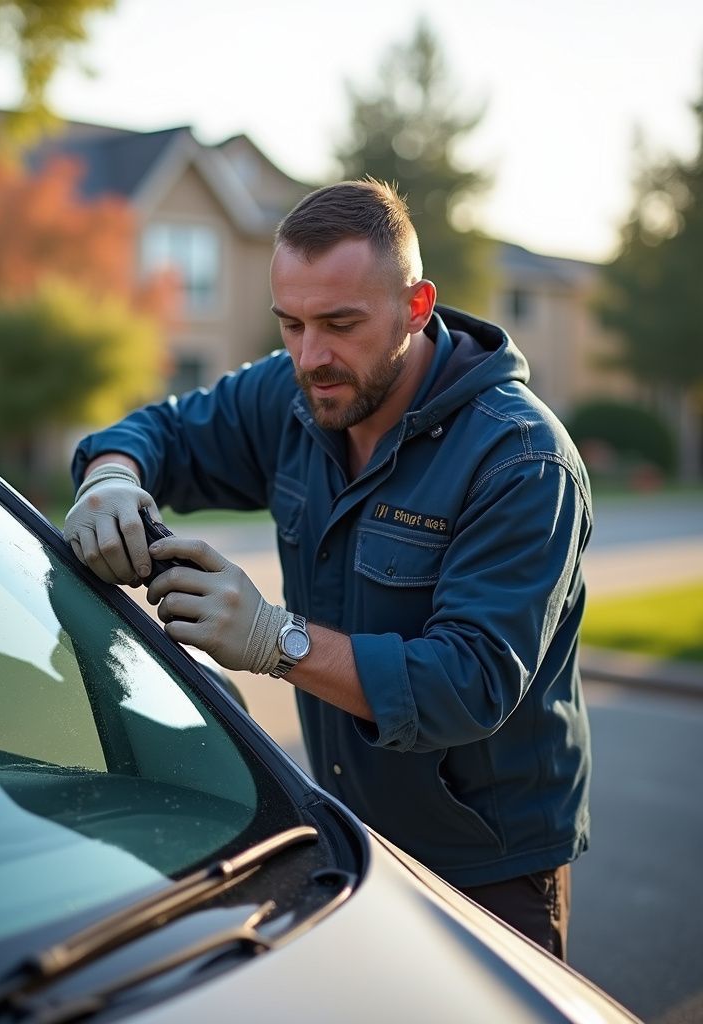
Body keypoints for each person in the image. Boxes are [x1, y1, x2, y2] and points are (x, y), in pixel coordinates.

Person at [64, 179, 592, 959]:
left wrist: (277, 639)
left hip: (489, 869)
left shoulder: (520, 460)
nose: (312, 356)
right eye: (291, 324)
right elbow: (161, 432)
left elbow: (469, 682)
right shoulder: (296, 394)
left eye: (341, 324)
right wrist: (111, 475)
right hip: (347, 837)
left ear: (416, 308)